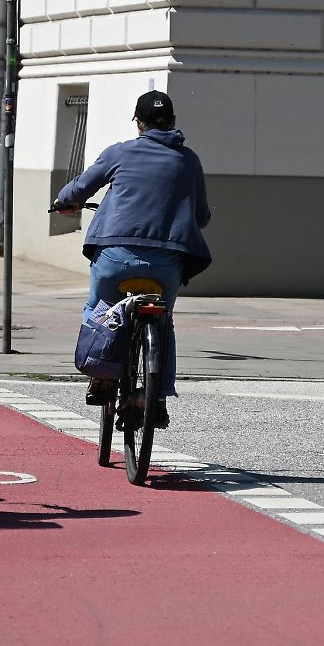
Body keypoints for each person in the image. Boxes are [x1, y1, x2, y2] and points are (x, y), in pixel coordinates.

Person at [52, 90, 212, 428]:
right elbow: (201, 216)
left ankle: (103, 377)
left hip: (115, 257)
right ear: (173, 121)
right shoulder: (189, 160)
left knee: (99, 307)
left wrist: (64, 201)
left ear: (138, 123)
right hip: (168, 263)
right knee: (163, 322)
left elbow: (82, 187)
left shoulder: (120, 153)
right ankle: (155, 395)